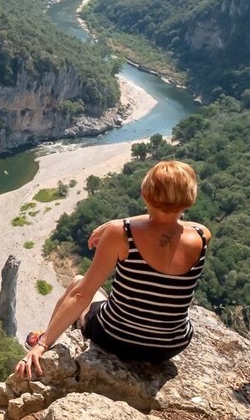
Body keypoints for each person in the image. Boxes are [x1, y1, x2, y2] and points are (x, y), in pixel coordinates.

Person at [16, 160, 212, 379]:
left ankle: (45, 336)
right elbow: (171, 222)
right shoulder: (202, 235)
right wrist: (118, 223)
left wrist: (41, 346)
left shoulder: (122, 233)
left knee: (79, 282)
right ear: (190, 200)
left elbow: (83, 295)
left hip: (116, 337)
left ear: (145, 195)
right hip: (169, 346)